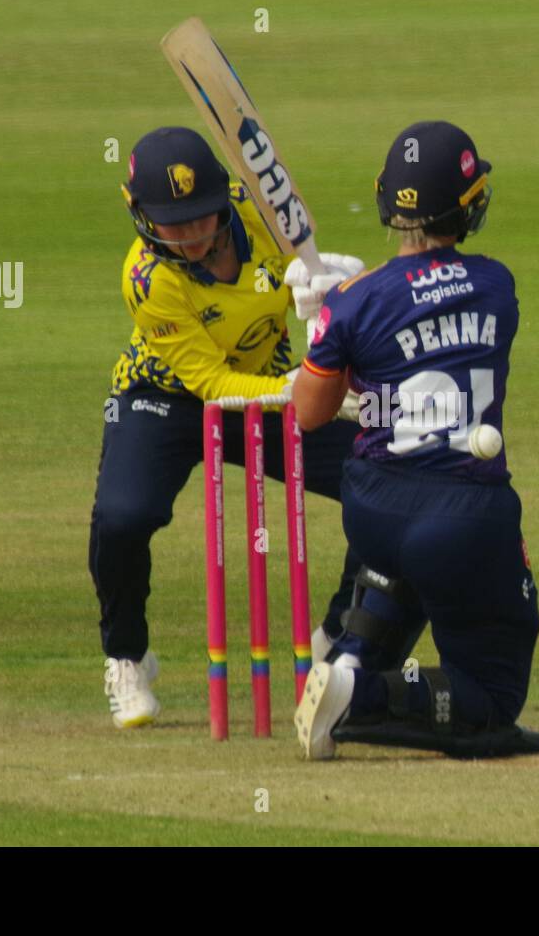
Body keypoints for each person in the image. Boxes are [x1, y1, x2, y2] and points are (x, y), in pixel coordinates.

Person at [89, 126, 366, 728]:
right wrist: (301, 390)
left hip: (269, 388)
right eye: (173, 224)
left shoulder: (265, 216)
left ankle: (339, 637)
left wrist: (329, 297)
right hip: (165, 397)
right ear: (139, 214)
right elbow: (211, 384)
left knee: (381, 480)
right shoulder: (146, 279)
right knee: (123, 518)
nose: (191, 237)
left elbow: (319, 292)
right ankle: (127, 656)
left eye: (200, 218)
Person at [290, 121, 539, 759]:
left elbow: (309, 414)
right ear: (467, 208)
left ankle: (344, 666)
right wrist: (346, 307)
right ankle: (361, 698)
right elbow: (428, 299)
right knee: (491, 698)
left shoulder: (353, 303)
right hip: (464, 517)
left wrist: (325, 326)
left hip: (373, 508)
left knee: (407, 566)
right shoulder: (497, 284)